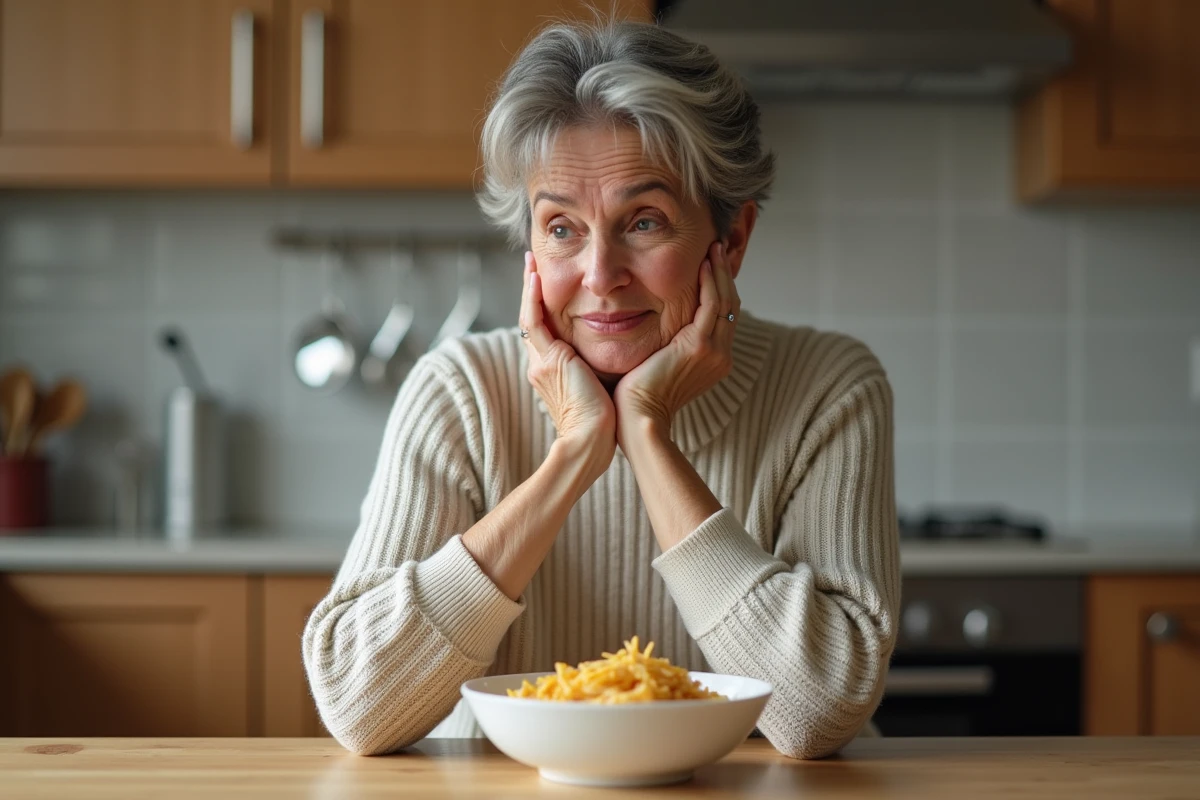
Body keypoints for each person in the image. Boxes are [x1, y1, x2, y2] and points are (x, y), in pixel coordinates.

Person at [302, 15, 899, 760]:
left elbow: (820, 713)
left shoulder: (827, 387)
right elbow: (359, 705)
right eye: (561, 228)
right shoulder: (460, 390)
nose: (599, 274)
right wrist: (576, 451)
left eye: (643, 222)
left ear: (732, 240)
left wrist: (646, 432)